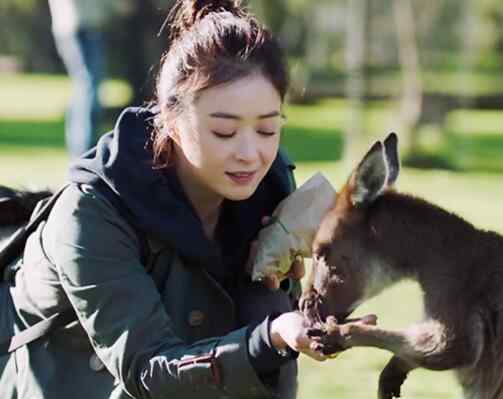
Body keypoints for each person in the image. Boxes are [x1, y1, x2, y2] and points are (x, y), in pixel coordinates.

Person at [1, 1, 364, 398]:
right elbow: (148, 369)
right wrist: (271, 338)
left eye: (267, 130)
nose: (250, 153)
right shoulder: (91, 212)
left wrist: (290, 303)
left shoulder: (270, 188)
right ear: (171, 121)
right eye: (224, 132)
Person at [47, 0, 129, 158]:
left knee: (83, 88)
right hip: (83, 27)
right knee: (88, 88)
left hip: (68, 27)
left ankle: (80, 149)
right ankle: (86, 150)